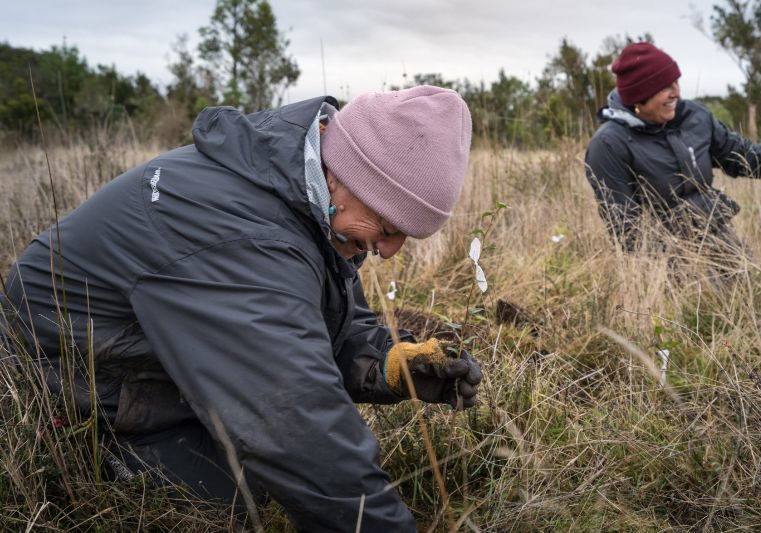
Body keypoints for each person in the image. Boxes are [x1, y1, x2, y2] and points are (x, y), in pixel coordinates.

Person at [1, 85, 481, 531]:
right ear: (350, 173)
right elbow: (294, 422)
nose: (392, 250)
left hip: (143, 363)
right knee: (232, 492)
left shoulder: (302, 198)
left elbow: (323, 329)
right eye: (390, 225)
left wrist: (389, 365)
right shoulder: (243, 232)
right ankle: (88, 460)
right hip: (52, 380)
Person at [584, 42, 761, 253]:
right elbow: (627, 231)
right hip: (664, 259)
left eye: (676, 81)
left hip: (718, 237)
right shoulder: (609, 145)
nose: (676, 92)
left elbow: (737, 153)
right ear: (639, 97)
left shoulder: (693, 116)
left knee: (755, 292)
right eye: (664, 87)